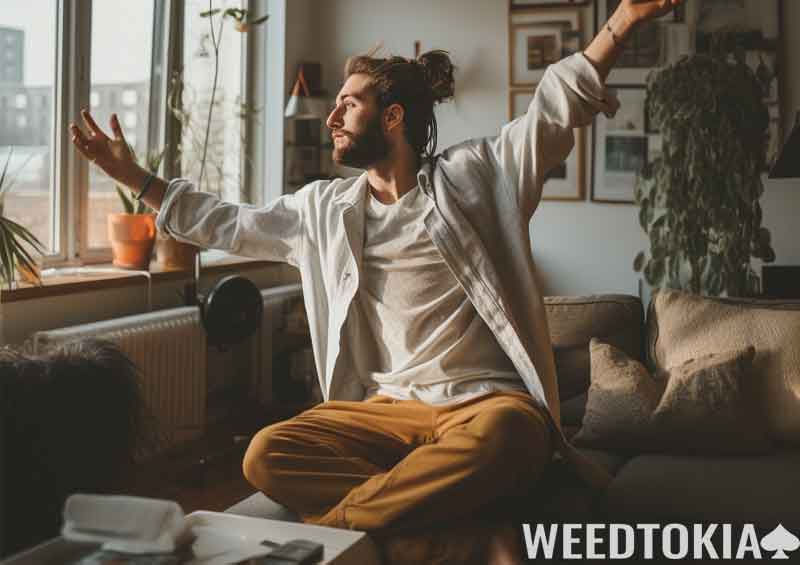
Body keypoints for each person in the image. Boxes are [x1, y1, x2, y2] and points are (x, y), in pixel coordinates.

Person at [71, 1, 683, 562]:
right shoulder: (323, 211)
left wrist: (624, 19)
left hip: (481, 407)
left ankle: (333, 536)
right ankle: (448, 535)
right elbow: (228, 224)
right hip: (385, 413)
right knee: (265, 454)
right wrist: (138, 178)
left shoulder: (477, 178)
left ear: (392, 117)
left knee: (514, 437)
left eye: (348, 104)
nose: (332, 117)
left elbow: (554, 107)